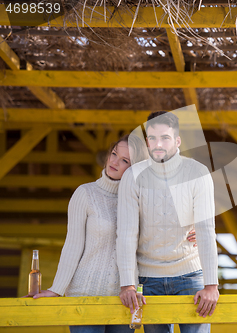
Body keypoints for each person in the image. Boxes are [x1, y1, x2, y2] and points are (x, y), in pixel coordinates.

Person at [32, 135, 197, 333]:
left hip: (125, 300)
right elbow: (72, 246)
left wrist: (196, 230)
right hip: (85, 296)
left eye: (125, 161)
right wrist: (56, 289)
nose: (114, 162)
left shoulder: (143, 199)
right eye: (114, 154)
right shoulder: (85, 194)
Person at [117, 111, 219, 333]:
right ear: (146, 142)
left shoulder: (198, 173)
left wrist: (211, 285)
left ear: (177, 140)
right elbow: (126, 233)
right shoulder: (133, 176)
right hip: (147, 279)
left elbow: (205, 230)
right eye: (152, 138)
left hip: (191, 277)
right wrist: (128, 284)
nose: (158, 144)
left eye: (165, 138)